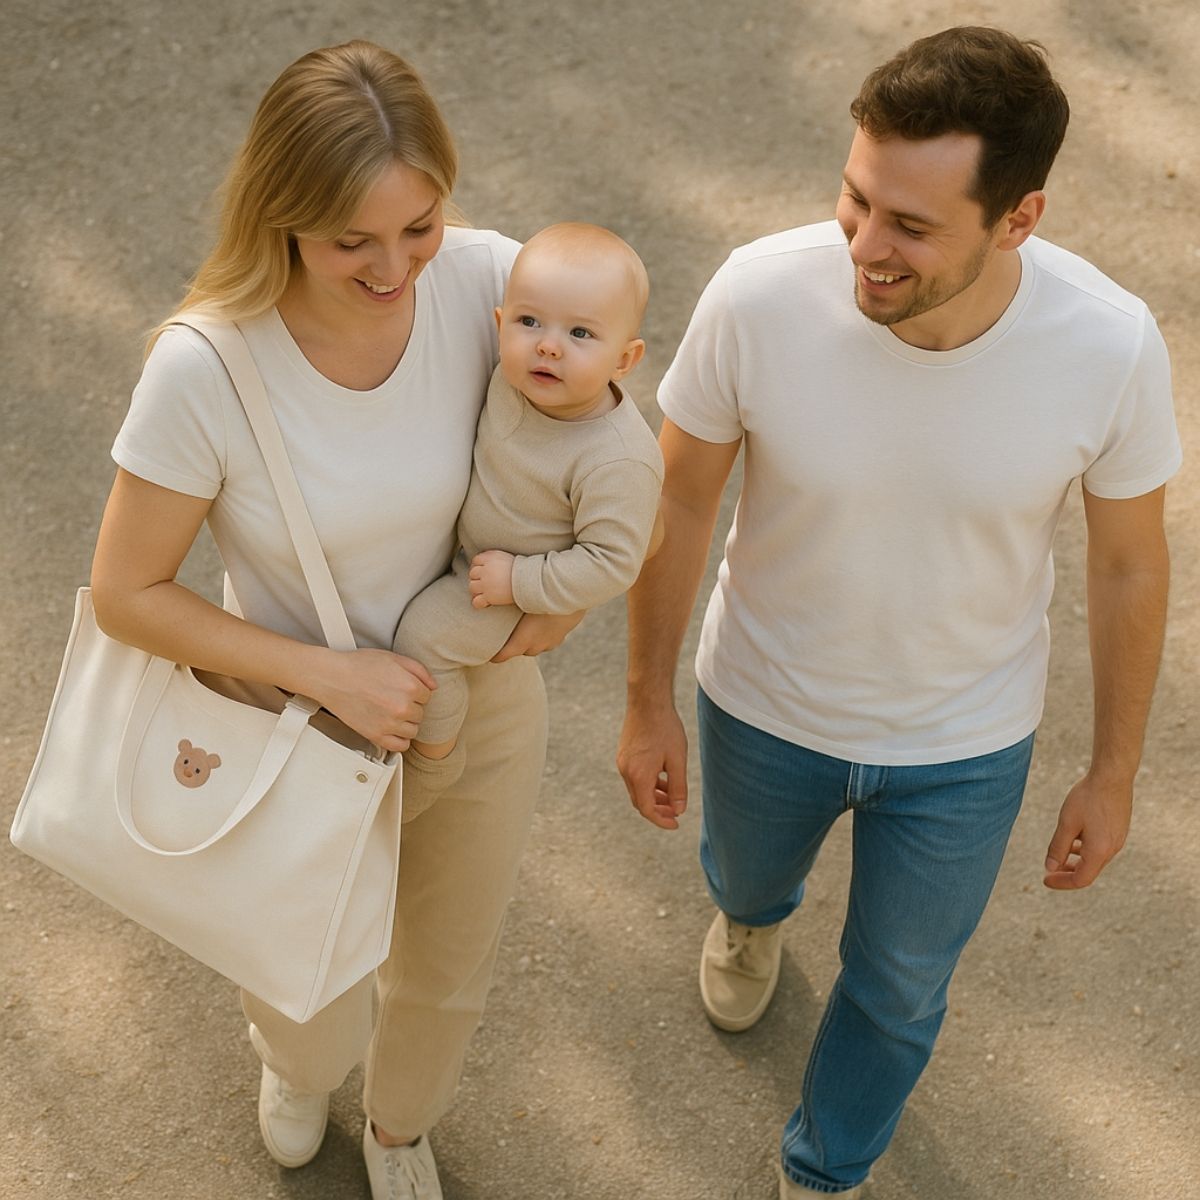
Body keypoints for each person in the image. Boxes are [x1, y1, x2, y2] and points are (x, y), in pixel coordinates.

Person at [617, 25, 1180, 1199]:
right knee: (743, 874)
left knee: (900, 987)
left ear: (1019, 218)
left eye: (911, 227)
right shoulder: (760, 295)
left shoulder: (1109, 344)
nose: (865, 248)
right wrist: (646, 702)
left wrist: (1112, 769)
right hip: (764, 704)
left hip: (964, 750)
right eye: (856, 198)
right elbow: (678, 496)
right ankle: (752, 917)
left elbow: (1130, 564)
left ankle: (826, 1169)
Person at [90, 40, 581, 1200]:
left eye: (418, 225)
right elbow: (125, 594)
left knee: (444, 969)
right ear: (283, 217)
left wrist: (568, 602)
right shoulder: (204, 367)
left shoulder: (492, 283)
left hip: (479, 705)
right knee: (303, 987)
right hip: (292, 725)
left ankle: (404, 1127)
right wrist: (331, 675)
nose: (397, 266)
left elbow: (608, 442)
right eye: (351, 240)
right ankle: (296, 1064)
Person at [393, 221, 663, 810]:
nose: (548, 344)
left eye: (581, 333)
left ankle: (431, 761)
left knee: (422, 640)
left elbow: (615, 561)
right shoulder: (516, 380)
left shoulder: (616, 457)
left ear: (626, 358)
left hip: (505, 586)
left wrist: (522, 581)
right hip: (472, 548)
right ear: (499, 326)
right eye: (529, 322)